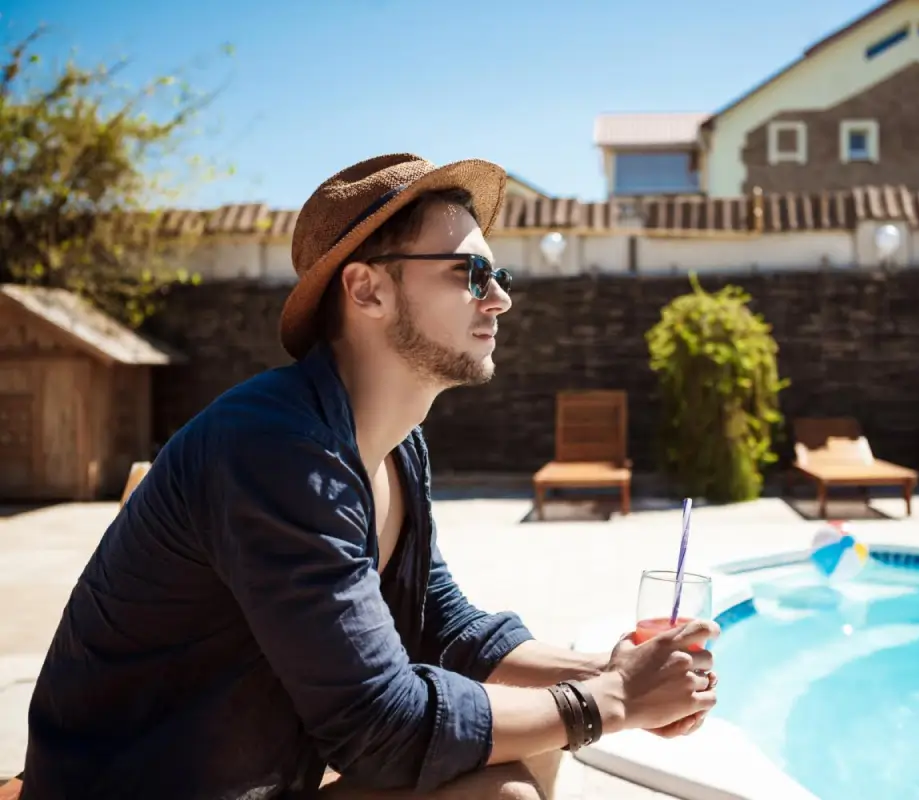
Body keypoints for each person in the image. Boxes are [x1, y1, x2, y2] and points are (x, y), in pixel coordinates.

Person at [12, 153, 718, 800]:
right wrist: (614, 702)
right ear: (367, 289)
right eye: (471, 273)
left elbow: (444, 625)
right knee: (511, 781)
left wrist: (607, 668)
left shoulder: (395, 449)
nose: (499, 298)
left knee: (532, 752)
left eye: (500, 276)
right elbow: (379, 726)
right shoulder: (274, 448)